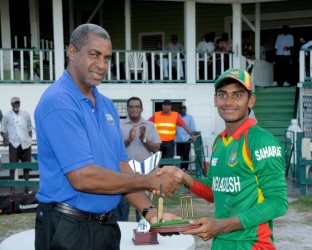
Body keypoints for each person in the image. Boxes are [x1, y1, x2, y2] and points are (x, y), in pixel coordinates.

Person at [33, 23, 183, 250]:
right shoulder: (59, 102)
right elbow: (83, 177)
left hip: (105, 225)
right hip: (67, 227)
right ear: (72, 52)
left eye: (107, 58)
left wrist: (151, 213)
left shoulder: (106, 105)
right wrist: (149, 180)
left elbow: (121, 166)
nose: (102, 65)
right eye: (94, 55)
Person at [160, 68, 288, 249]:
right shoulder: (219, 142)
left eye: (237, 95)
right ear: (215, 99)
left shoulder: (261, 140)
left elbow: (277, 202)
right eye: (222, 95)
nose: (228, 102)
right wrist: (182, 176)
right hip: (220, 242)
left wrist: (221, 225)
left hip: (252, 243)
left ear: (250, 100)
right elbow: (214, 191)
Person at [114, 96, 161, 222]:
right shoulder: (119, 125)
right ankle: (121, 236)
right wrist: (129, 139)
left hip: (145, 174)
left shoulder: (150, 126)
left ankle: (143, 237)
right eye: (131, 107)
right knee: (122, 208)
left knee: (144, 210)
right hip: (124, 174)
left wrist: (143, 139)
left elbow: (157, 148)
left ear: (141, 109)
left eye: (137, 107)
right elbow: (113, 149)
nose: (134, 109)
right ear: (127, 109)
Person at [1, 97, 33, 194]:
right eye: (15, 103)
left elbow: (30, 128)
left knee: (26, 167)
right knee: (12, 167)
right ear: (11, 104)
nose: (17, 104)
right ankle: (12, 189)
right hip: (14, 144)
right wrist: (6, 139)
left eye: (18, 103)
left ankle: (27, 188)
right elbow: (2, 131)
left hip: (25, 144)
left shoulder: (25, 114)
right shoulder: (6, 116)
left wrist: (29, 139)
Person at [175, 105, 196, 172]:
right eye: (182, 109)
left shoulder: (190, 118)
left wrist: (192, 135)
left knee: (186, 153)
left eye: (185, 109)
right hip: (178, 139)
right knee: (179, 154)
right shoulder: (177, 117)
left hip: (187, 139)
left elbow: (193, 129)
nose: (184, 110)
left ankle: (185, 168)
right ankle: (179, 168)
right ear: (180, 110)